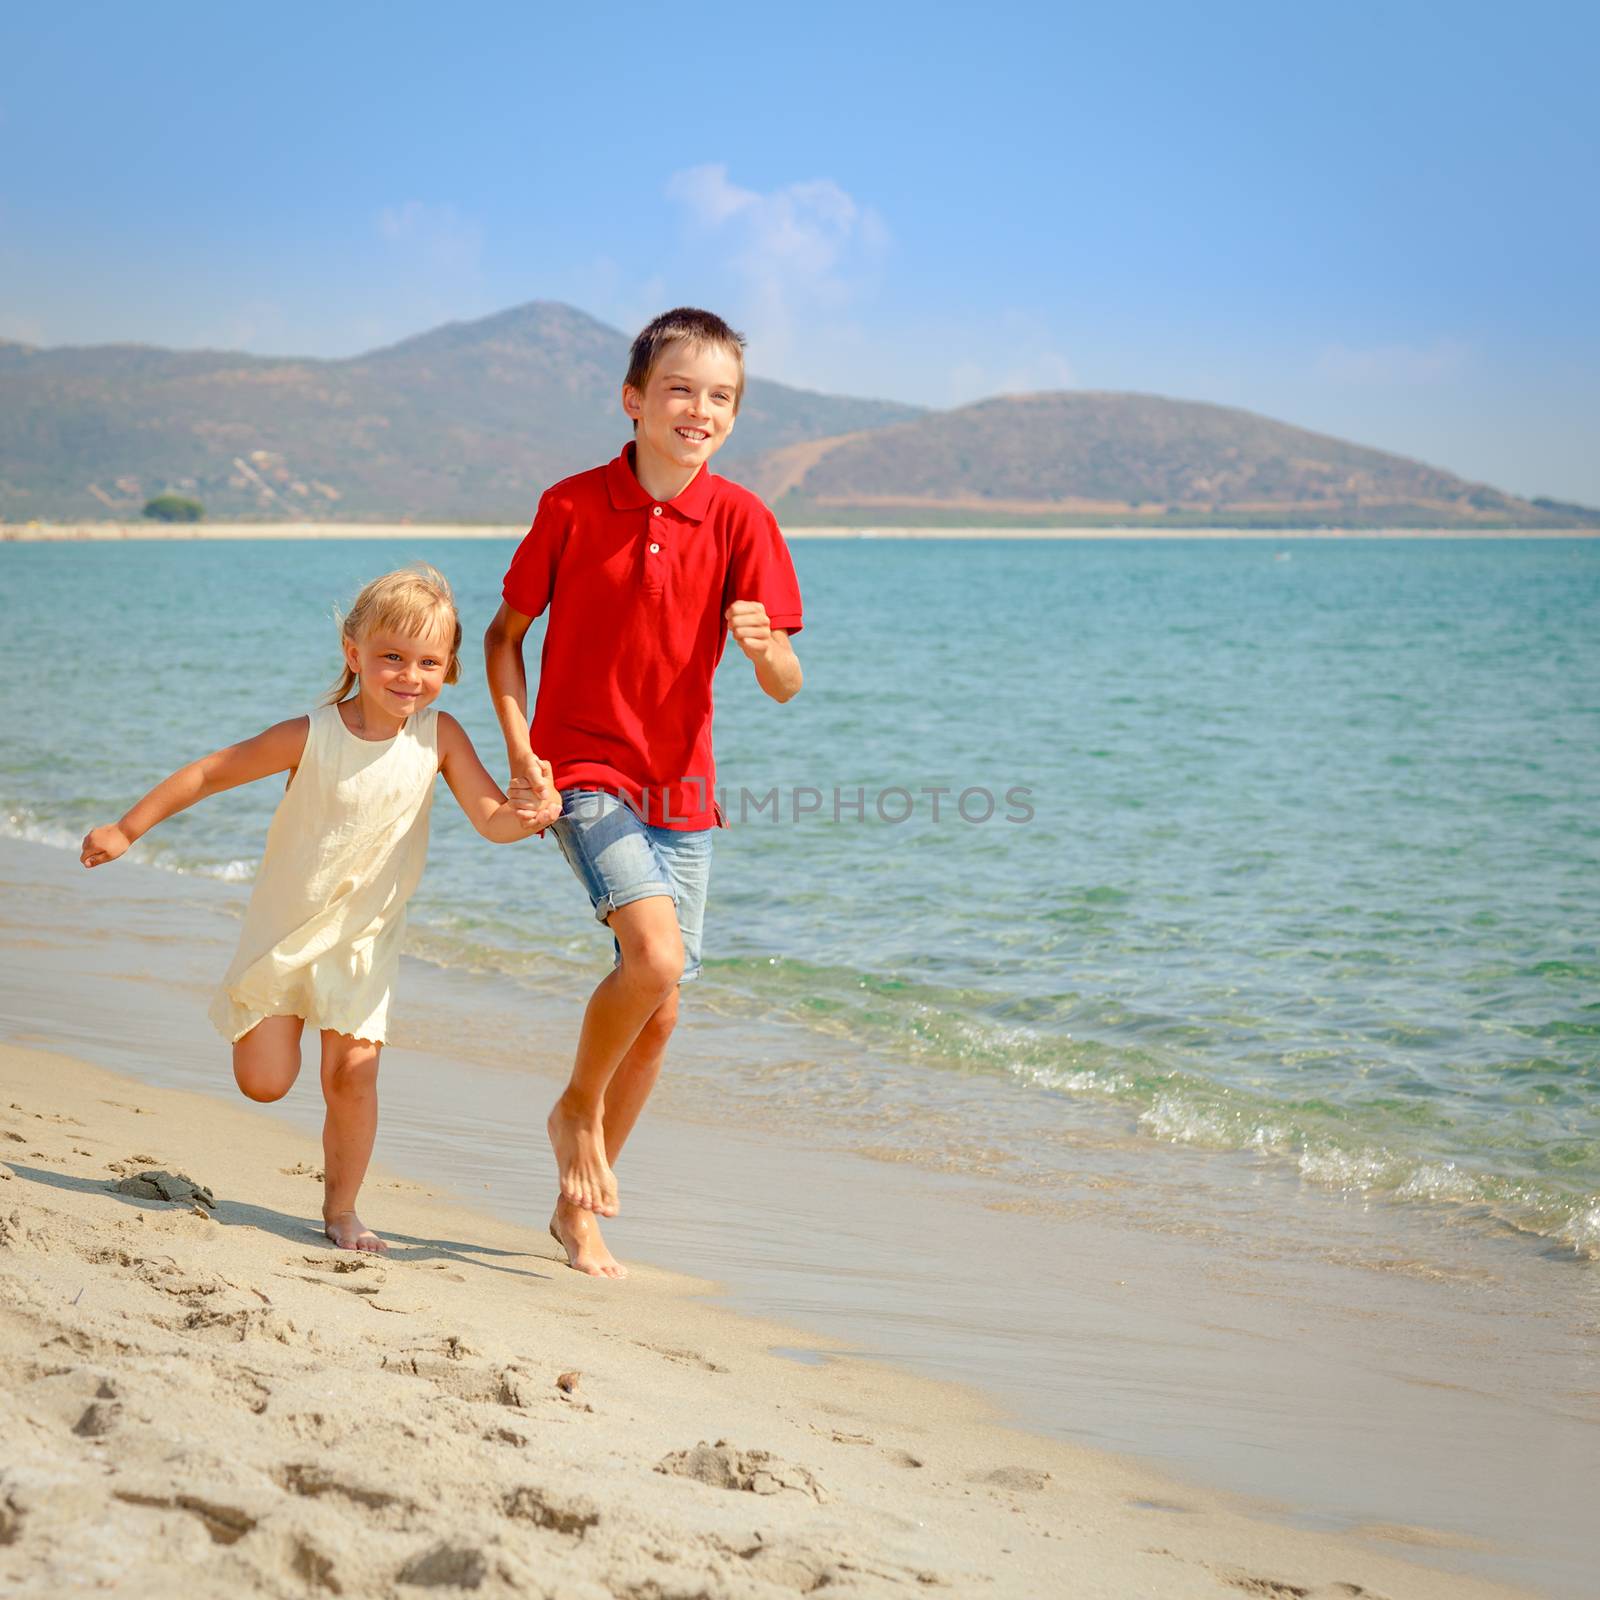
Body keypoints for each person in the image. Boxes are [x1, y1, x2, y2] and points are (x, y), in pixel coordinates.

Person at [80, 564, 555, 1253]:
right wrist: (127, 828)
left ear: (448, 668)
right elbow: (210, 771)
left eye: (428, 661)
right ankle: (277, 1033)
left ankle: (342, 1210)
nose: (408, 676)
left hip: (363, 944)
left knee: (351, 1079)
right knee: (266, 1083)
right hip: (286, 934)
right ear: (353, 652)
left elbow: (491, 819)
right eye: (392, 656)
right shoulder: (310, 734)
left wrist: (536, 810)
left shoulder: (440, 737)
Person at [485, 307, 805, 1279]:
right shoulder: (572, 505)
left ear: (734, 416)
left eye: (719, 396)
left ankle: (575, 1211)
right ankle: (575, 1105)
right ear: (633, 401)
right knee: (655, 956)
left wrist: (767, 651)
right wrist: (521, 755)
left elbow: (787, 680)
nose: (697, 408)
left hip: (685, 787)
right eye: (678, 388)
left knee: (659, 1006)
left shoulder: (744, 519)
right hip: (581, 768)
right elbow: (503, 638)